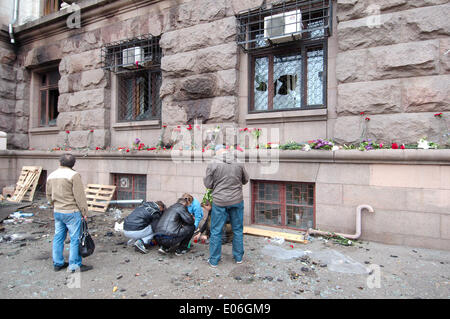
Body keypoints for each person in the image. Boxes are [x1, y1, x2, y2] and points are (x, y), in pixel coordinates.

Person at [204, 145, 249, 268]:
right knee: (238, 229)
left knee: (216, 231)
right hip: (236, 200)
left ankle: (214, 260)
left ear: (217, 152)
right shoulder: (239, 162)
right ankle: (238, 257)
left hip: (220, 201)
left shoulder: (212, 163)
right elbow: (245, 180)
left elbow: (208, 184)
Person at [46, 153, 92, 273]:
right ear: (73, 164)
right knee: (75, 238)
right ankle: (74, 265)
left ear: (60, 163)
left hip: (57, 211)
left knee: (58, 237)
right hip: (71, 211)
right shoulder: (74, 175)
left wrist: (54, 204)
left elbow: (48, 195)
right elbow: (79, 196)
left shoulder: (51, 175)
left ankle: (58, 263)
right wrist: (84, 211)